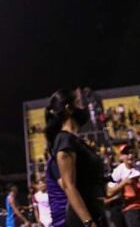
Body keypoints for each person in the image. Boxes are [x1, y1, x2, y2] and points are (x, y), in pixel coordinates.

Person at [45, 88, 107, 227]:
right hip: (82, 218)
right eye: (79, 103)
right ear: (69, 109)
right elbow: (69, 185)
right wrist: (89, 223)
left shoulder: (75, 141)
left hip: (94, 211)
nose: (84, 107)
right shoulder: (65, 140)